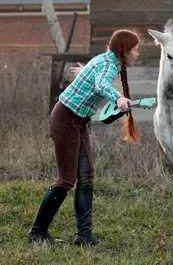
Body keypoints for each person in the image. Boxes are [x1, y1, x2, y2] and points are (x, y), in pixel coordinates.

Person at [27, 29, 141, 246]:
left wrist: (83, 72)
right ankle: (37, 233)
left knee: (86, 177)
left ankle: (84, 237)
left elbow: (95, 76)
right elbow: (100, 84)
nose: (137, 54)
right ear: (124, 51)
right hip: (66, 119)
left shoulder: (106, 61)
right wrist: (118, 99)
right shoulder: (108, 65)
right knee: (67, 179)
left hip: (78, 121)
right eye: (135, 50)